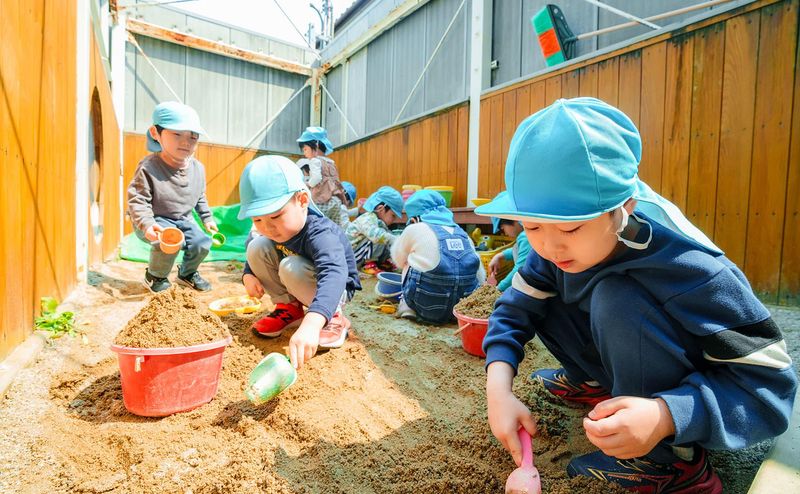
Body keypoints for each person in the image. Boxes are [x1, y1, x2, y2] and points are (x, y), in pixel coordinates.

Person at [476, 97, 797, 493]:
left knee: (617, 296)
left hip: (687, 389)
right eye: (533, 227)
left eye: (571, 229)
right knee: (544, 287)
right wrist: (498, 390)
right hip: (629, 353)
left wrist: (665, 415)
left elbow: (768, 386)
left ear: (624, 206)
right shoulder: (555, 249)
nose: (550, 245)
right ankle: (597, 383)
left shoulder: (691, 266)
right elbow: (515, 309)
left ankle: (670, 462)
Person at [238, 155, 361, 369]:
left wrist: (313, 323)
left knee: (290, 267)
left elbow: (333, 274)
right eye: (257, 219)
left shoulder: (320, 233)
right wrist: (248, 273)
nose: (267, 227)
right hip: (300, 279)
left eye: (275, 216)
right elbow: (257, 243)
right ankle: (289, 308)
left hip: (335, 288)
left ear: (302, 201)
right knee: (256, 246)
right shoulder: (270, 231)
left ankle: (333, 317)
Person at [127, 101, 216, 293]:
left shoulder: (198, 168)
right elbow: (138, 200)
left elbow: (200, 196)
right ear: (155, 133)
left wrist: (207, 218)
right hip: (154, 220)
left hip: (183, 219)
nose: (186, 142)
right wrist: (147, 224)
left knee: (202, 242)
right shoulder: (149, 167)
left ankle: (187, 273)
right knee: (170, 239)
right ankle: (155, 277)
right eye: (177, 134)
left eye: (193, 137)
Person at [391, 190, 484, 323]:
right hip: (461, 308)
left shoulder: (415, 228)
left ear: (414, 219)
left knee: (408, 260)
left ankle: (406, 306)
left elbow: (398, 260)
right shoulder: (462, 233)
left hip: (426, 305)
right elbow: (480, 274)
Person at [296, 127, 349, 228]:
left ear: (315, 145)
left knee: (315, 225)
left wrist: (307, 185)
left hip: (322, 200)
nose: (304, 153)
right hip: (336, 200)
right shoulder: (331, 162)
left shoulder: (315, 161)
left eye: (305, 149)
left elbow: (316, 178)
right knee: (334, 228)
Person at [345, 186, 403, 274]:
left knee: (386, 233)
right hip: (352, 258)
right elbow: (376, 235)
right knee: (380, 235)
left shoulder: (379, 222)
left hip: (360, 254)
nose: (393, 220)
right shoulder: (367, 218)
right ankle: (368, 264)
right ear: (381, 209)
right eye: (393, 216)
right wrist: (397, 240)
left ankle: (380, 262)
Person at [486, 192, 531, 291]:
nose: (504, 232)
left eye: (502, 228)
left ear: (511, 219)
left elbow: (519, 270)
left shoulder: (525, 237)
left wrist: (498, 289)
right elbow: (521, 251)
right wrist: (500, 255)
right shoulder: (528, 235)